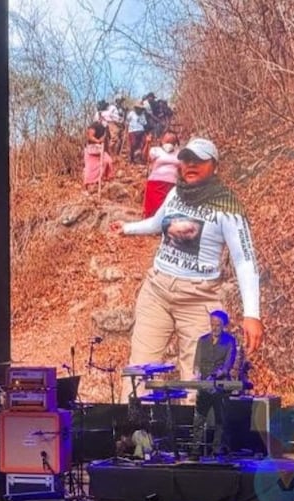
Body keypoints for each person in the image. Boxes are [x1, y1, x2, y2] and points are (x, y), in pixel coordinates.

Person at [109, 137, 264, 401]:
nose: (191, 165)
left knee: (199, 386)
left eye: (199, 160)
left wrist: (252, 314)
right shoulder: (175, 193)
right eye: (186, 159)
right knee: (138, 374)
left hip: (198, 301)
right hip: (157, 292)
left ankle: (192, 430)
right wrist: (127, 228)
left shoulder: (227, 208)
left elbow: (244, 260)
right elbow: (157, 223)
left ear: (214, 165)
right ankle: (131, 426)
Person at [191, 310, 237, 457]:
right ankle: (195, 449)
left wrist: (214, 377)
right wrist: (197, 375)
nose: (215, 328)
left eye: (218, 325)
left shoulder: (229, 341)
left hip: (219, 386)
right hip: (204, 386)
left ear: (224, 325)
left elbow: (227, 366)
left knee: (220, 420)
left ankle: (217, 449)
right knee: (199, 418)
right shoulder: (202, 340)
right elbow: (197, 363)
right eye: (212, 324)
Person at [142, 131, 180, 217]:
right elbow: (145, 158)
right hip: (156, 184)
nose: (169, 144)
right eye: (167, 141)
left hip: (171, 185)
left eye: (172, 142)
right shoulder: (156, 150)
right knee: (153, 209)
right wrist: (147, 143)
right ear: (162, 141)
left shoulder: (179, 154)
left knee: (167, 209)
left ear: (175, 143)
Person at [83, 120, 114, 191]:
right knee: (90, 168)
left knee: (108, 161)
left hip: (101, 150)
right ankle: (89, 185)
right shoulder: (94, 125)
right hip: (91, 150)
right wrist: (98, 141)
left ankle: (104, 179)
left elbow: (108, 139)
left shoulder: (106, 128)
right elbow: (90, 137)